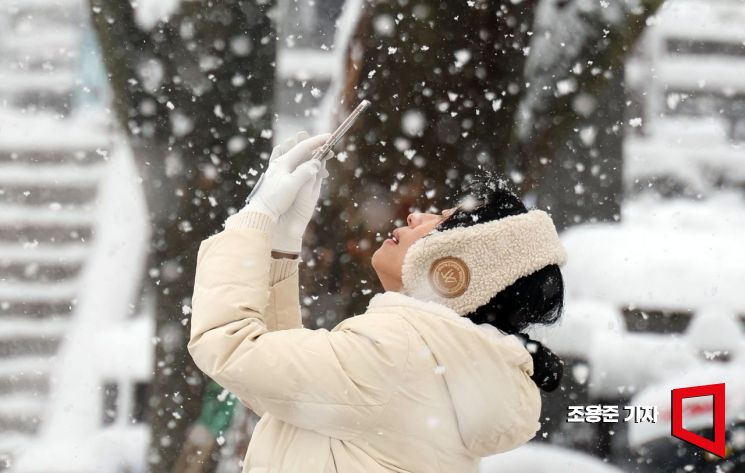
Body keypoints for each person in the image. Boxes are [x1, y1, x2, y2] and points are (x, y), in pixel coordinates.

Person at [188, 131, 567, 473]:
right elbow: (285, 389)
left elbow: (231, 346)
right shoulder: (442, 363)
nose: (416, 214)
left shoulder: (398, 352)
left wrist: (255, 217)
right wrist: (279, 246)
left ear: (454, 270)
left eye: (439, 221)